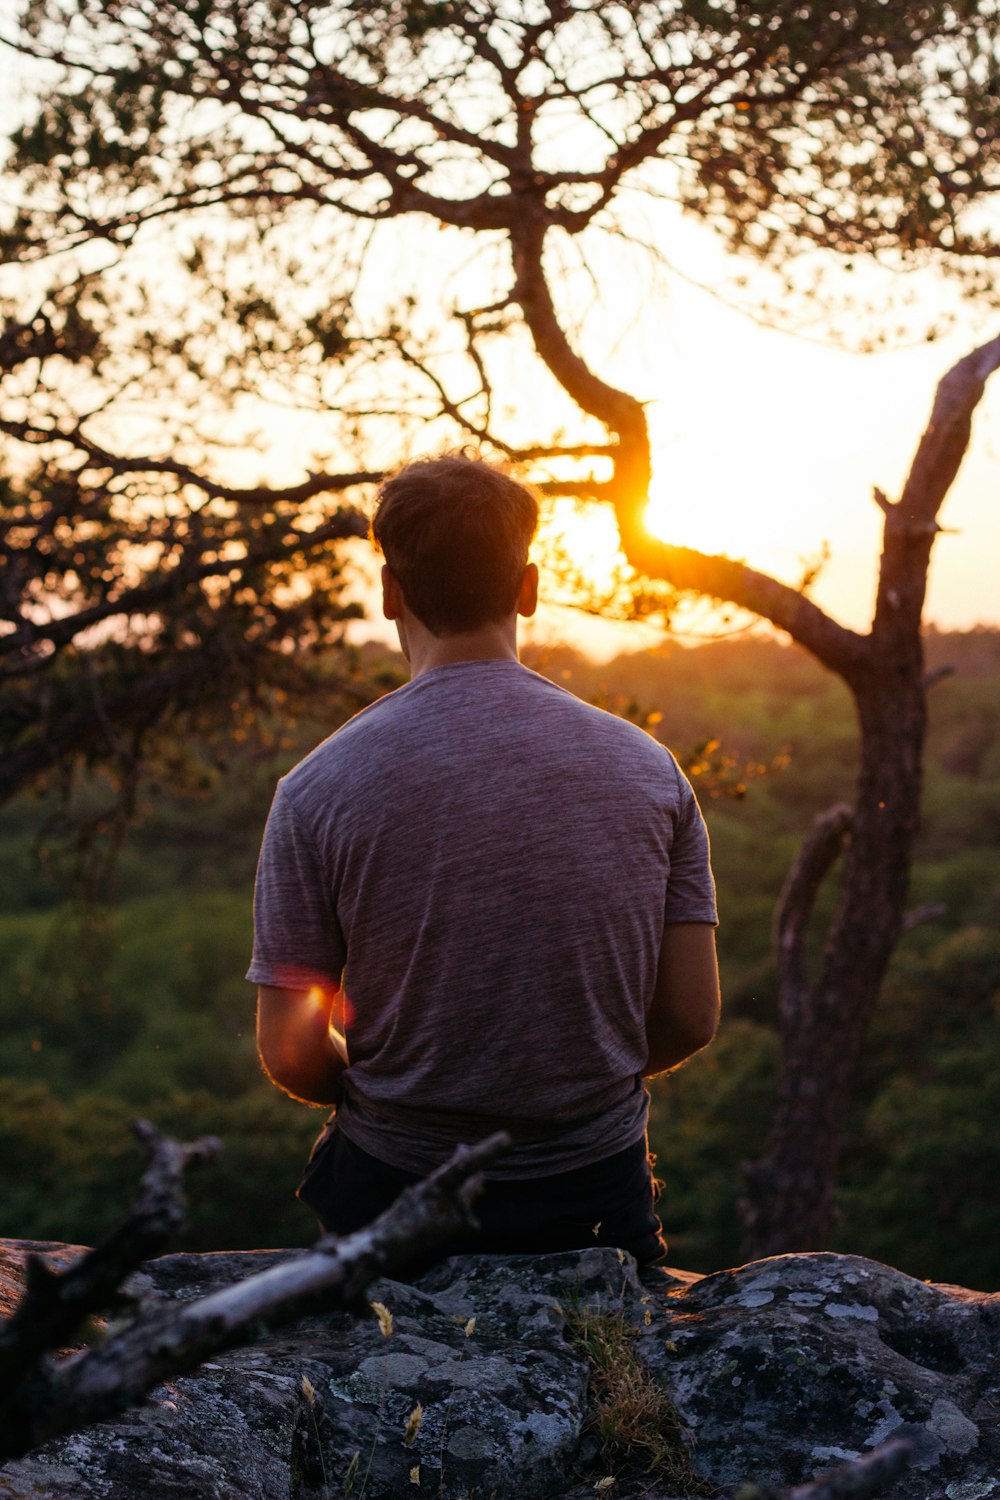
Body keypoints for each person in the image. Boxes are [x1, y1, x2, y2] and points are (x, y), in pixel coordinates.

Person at [248, 454, 720, 1266]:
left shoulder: (316, 788)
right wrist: (570, 1085)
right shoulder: (652, 772)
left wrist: (403, 1098)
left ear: (391, 591)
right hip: (594, 1195)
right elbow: (688, 1015)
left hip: (393, 1198)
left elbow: (291, 1051)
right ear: (528, 587)